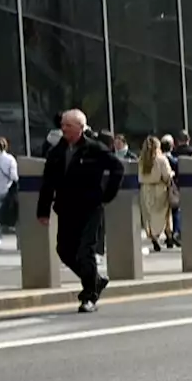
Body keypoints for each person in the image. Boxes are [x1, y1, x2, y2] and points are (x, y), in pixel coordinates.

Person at [36, 110, 124, 313]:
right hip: (66, 208)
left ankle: (89, 296)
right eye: (63, 125)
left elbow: (117, 168)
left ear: (80, 128)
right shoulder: (56, 152)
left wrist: (107, 195)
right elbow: (48, 183)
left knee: (86, 251)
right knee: (65, 250)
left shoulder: (94, 149)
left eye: (68, 125)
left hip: (90, 208)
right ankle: (96, 280)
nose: (64, 128)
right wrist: (43, 211)